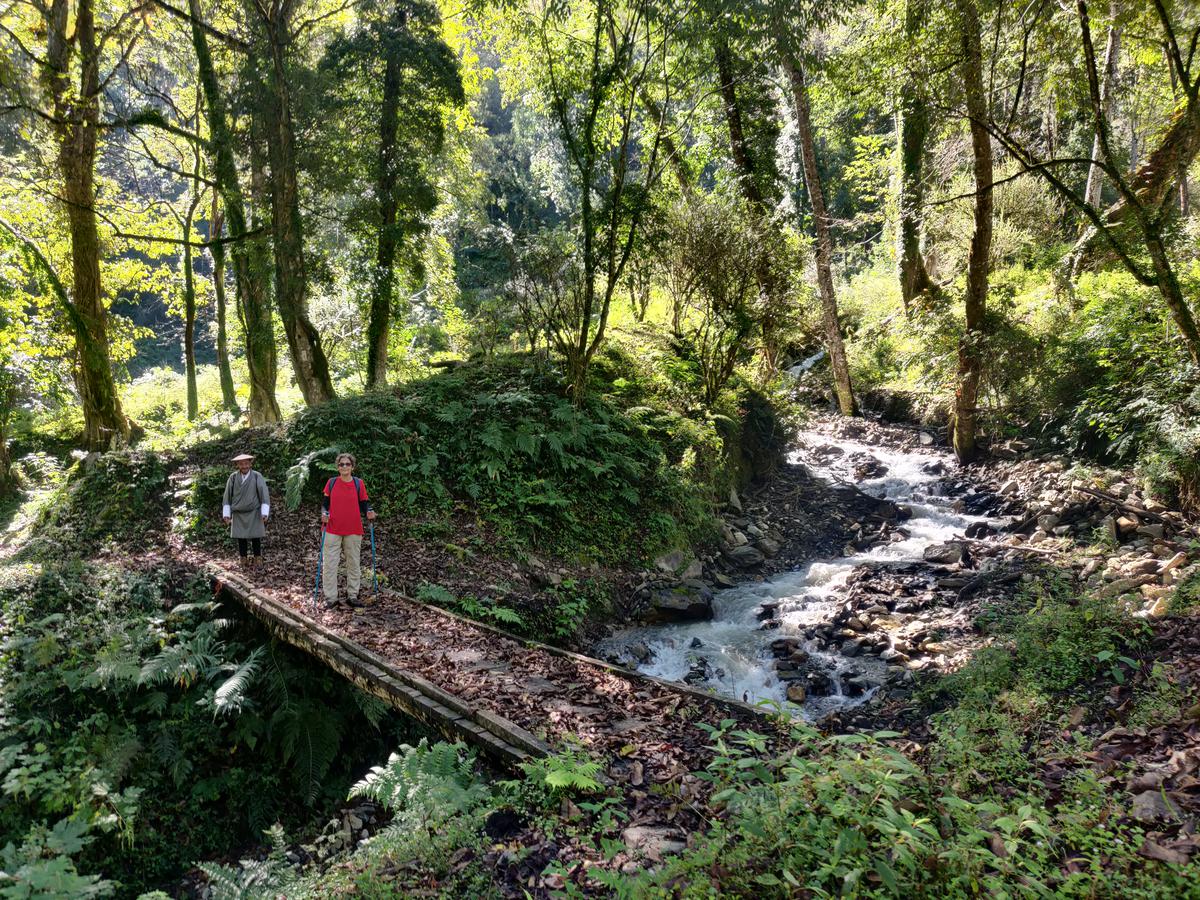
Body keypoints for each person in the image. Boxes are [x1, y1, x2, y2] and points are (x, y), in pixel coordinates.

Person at [321, 452, 376, 608]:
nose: (344, 466)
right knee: (330, 565)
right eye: (341, 464)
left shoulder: (358, 483)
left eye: (347, 464)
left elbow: (365, 503)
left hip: (353, 529)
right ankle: (331, 598)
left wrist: (369, 512)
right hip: (332, 529)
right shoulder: (331, 483)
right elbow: (325, 503)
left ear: (352, 466)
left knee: (353, 563)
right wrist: (324, 514)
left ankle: (353, 595)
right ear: (337, 467)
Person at [222, 453, 270, 570]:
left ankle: (257, 558)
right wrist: (226, 514)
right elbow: (227, 495)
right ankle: (243, 559)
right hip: (238, 512)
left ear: (250, 463)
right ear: (238, 465)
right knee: (241, 537)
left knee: (256, 536)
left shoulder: (257, 476)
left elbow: (264, 494)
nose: (244, 466)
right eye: (241, 464)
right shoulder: (233, 477)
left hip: (254, 511)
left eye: (246, 463)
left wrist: (264, 512)